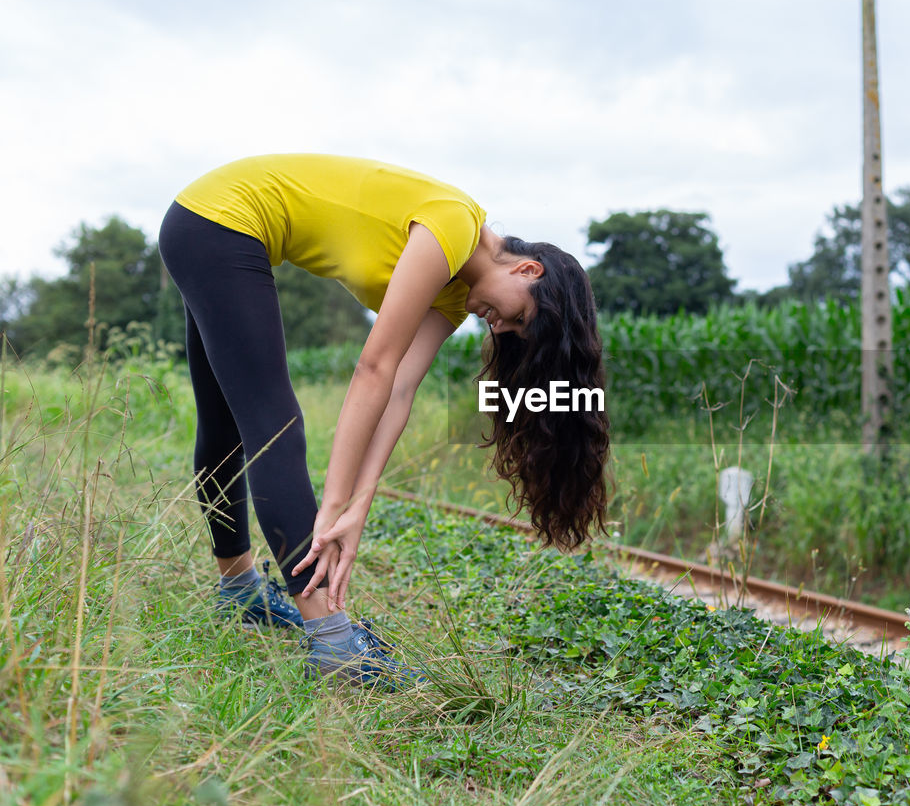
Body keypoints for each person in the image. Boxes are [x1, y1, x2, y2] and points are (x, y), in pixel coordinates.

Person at [158, 154, 610, 687]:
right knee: (274, 424)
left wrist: (358, 504)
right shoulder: (454, 225)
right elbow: (374, 367)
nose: (502, 328)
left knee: (226, 420)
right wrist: (330, 505)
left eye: (511, 331)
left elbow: (399, 390)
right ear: (527, 270)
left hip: (207, 221)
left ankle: (239, 594)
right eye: (519, 318)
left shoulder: (453, 295)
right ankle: (334, 645)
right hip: (221, 220)